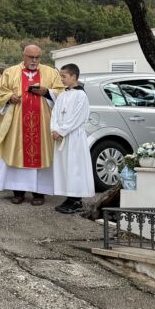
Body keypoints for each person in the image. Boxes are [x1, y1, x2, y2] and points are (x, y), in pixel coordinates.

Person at [0, 44, 66, 205]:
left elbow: (62, 93)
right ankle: (18, 192)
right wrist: (9, 97)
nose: (34, 61)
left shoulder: (51, 72)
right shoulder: (10, 72)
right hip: (17, 124)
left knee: (41, 156)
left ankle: (39, 194)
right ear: (24, 56)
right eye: (31, 57)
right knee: (16, 154)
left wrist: (47, 92)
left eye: (37, 57)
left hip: (43, 124)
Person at [51, 64, 94, 214]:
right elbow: (55, 114)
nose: (61, 79)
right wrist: (54, 129)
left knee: (75, 167)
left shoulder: (81, 96)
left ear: (74, 77)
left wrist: (62, 131)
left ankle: (76, 200)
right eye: (61, 76)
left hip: (74, 136)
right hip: (61, 137)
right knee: (65, 166)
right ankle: (69, 197)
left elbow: (78, 117)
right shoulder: (62, 95)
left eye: (64, 76)